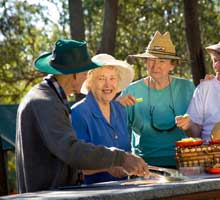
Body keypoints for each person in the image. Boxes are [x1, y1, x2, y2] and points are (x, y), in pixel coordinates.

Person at [15, 39, 149, 193]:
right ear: (73, 74)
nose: (86, 77)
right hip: (47, 194)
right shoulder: (45, 101)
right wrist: (120, 158)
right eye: (85, 72)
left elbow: (61, 158)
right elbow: (71, 151)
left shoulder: (50, 97)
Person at [119, 31, 195, 168]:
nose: (155, 66)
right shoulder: (131, 91)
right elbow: (118, 129)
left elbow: (201, 126)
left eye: (162, 61)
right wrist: (116, 106)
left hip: (184, 162)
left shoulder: (187, 88)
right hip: (144, 166)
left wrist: (190, 123)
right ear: (145, 62)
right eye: (151, 60)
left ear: (172, 65)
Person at [71, 54, 134, 184]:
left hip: (125, 189)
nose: (108, 84)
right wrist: (108, 167)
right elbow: (77, 164)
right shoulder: (79, 112)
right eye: (101, 78)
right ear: (90, 82)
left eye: (112, 78)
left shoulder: (120, 110)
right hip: (92, 192)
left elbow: (126, 152)